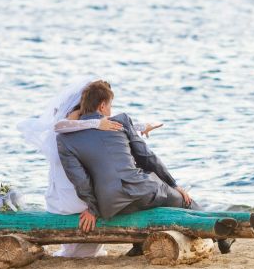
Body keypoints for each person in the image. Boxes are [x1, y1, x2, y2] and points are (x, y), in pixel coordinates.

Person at [58, 80, 229, 256]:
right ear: (102, 106)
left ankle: (139, 244)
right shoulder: (121, 121)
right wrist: (173, 184)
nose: (111, 110)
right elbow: (146, 157)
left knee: (144, 200)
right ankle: (223, 232)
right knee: (183, 200)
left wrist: (92, 208)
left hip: (109, 204)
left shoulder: (64, 139)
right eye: (110, 105)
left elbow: (79, 179)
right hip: (142, 191)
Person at [16, 76, 160, 258]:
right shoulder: (71, 125)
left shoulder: (76, 126)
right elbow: (61, 126)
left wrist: (145, 126)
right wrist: (97, 123)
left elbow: (121, 124)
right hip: (82, 198)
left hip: (70, 198)